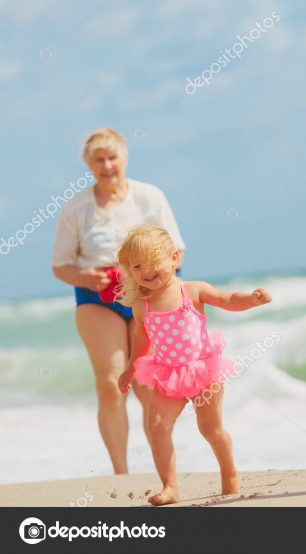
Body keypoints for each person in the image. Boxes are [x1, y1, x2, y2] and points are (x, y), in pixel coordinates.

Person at [51, 128, 186, 474]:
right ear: (89, 165)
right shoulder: (76, 207)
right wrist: (84, 277)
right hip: (97, 298)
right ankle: (121, 473)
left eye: (112, 157)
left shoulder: (150, 197)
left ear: (124, 158)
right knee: (112, 383)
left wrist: (148, 276)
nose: (107, 165)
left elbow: (177, 253)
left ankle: (164, 473)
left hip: (146, 293)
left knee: (147, 382)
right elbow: (60, 265)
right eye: (99, 159)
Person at [116, 225, 272, 505]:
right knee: (157, 426)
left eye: (154, 263)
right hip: (167, 375)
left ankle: (229, 471)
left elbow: (227, 299)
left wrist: (250, 299)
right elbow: (141, 338)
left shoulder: (192, 291)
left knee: (210, 429)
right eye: (138, 266)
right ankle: (170, 486)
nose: (147, 271)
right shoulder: (142, 306)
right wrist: (130, 367)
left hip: (202, 372)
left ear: (174, 259)